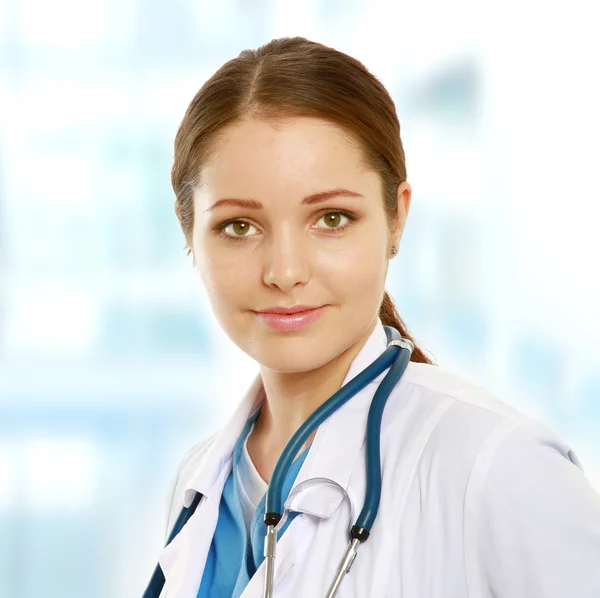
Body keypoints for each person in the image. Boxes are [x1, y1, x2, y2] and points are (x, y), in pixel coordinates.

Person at [151, 37, 600, 597]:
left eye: (332, 218)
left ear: (396, 218)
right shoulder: (200, 484)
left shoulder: (501, 471)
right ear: (189, 231)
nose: (285, 272)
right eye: (240, 226)